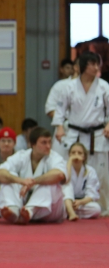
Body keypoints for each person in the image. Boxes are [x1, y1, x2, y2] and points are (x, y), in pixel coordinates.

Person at [53, 51, 109, 216]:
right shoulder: (69, 87)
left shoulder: (104, 86)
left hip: (97, 135)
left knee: (100, 173)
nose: (96, 67)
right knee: (71, 171)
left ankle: (101, 207)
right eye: (92, 64)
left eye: (97, 64)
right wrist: (59, 126)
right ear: (83, 66)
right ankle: (68, 205)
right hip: (75, 134)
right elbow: (60, 109)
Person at [0, 127, 67, 224]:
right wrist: (21, 181)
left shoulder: (55, 157)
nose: (48, 146)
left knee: (49, 182)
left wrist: (33, 182)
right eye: (44, 142)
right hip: (23, 204)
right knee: (9, 177)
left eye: (50, 142)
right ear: (33, 144)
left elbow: (59, 175)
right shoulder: (21, 156)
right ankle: (13, 210)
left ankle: (29, 211)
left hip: (51, 210)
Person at [45, 58, 79, 158]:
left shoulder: (95, 87)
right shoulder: (60, 85)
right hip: (64, 127)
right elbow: (50, 108)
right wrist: (61, 120)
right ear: (76, 67)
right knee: (59, 159)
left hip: (84, 129)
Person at [63, 143, 101, 221]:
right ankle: (70, 212)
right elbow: (66, 180)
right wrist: (70, 161)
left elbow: (91, 194)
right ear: (69, 155)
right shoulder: (63, 167)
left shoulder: (90, 171)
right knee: (67, 185)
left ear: (84, 156)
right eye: (73, 153)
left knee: (96, 209)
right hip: (64, 201)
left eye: (79, 153)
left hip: (79, 202)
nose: (76, 155)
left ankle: (68, 212)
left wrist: (80, 202)